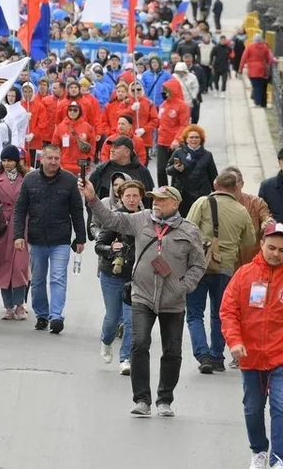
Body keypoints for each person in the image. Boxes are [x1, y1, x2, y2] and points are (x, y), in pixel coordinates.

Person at [84, 182, 206, 418]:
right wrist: (92, 199)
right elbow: (110, 220)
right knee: (139, 344)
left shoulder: (189, 231)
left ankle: (164, 400)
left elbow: (198, 265)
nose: (156, 204)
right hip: (142, 296)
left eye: (161, 200)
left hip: (173, 300)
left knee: (172, 351)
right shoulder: (140, 219)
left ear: (175, 204)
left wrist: (184, 286)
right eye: (154, 199)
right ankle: (142, 400)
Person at [219, 219, 283, 469]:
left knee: (281, 406)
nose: (276, 254)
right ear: (261, 245)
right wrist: (234, 341)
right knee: (253, 409)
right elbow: (229, 311)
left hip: (280, 356)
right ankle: (259, 451)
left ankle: (279, 460)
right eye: (272, 248)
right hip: (250, 357)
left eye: (281, 250)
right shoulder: (244, 275)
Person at [185, 170, 257, 374]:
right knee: (220, 314)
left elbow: (187, 229)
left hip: (198, 265)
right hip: (225, 268)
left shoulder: (202, 203)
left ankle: (203, 354)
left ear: (216, 185)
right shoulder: (241, 210)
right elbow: (249, 241)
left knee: (194, 314)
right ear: (236, 188)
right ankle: (217, 357)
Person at [12, 143, 86, 334]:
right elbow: (20, 209)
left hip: (60, 238)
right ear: (41, 159)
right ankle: (42, 315)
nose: (53, 162)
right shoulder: (30, 180)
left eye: (56, 158)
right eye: (50, 158)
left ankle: (56, 316)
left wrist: (80, 237)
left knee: (58, 278)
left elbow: (77, 210)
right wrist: (18, 235)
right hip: (36, 239)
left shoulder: (69, 180)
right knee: (37, 280)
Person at [92, 179, 142, 376]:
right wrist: (111, 249)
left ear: (140, 197)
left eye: (135, 196)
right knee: (113, 317)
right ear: (121, 197)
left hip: (136, 277)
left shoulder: (146, 219)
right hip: (112, 274)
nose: (131, 199)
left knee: (130, 320)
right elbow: (99, 245)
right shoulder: (115, 219)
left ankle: (125, 359)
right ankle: (106, 340)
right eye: (127, 196)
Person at [0, 145, 31, 321]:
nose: (6, 164)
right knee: (3, 266)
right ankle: (8, 306)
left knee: (20, 266)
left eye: (10, 160)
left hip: (22, 225)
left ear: (17, 161)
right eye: (4, 160)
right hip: (2, 226)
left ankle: (20, 303)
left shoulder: (27, 177)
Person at [167, 125, 218, 216]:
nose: (194, 139)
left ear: (201, 139)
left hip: (201, 195)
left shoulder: (207, 155)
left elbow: (213, 176)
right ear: (186, 139)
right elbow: (168, 170)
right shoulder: (178, 153)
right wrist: (175, 168)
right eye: (191, 137)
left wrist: (217, 193)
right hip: (182, 194)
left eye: (197, 137)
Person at [242, 34, 274, 108]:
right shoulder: (265, 47)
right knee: (259, 86)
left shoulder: (249, 47)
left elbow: (244, 57)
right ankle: (259, 102)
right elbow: (268, 58)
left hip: (252, 70)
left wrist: (240, 68)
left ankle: (257, 103)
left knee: (255, 86)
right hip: (262, 69)